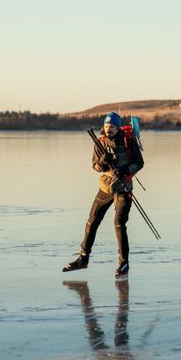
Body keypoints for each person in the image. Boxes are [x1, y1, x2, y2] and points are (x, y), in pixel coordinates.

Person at [63, 112, 144, 276]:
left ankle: (123, 264)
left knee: (119, 224)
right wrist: (102, 162)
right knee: (92, 221)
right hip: (106, 187)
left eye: (112, 126)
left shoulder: (128, 141)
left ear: (118, 127)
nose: (109, 129)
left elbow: (139, 163)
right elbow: (95, 166)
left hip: (124, 188)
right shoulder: (99, 141)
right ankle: (83, 258)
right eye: (107, 126)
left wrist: (124, 170)